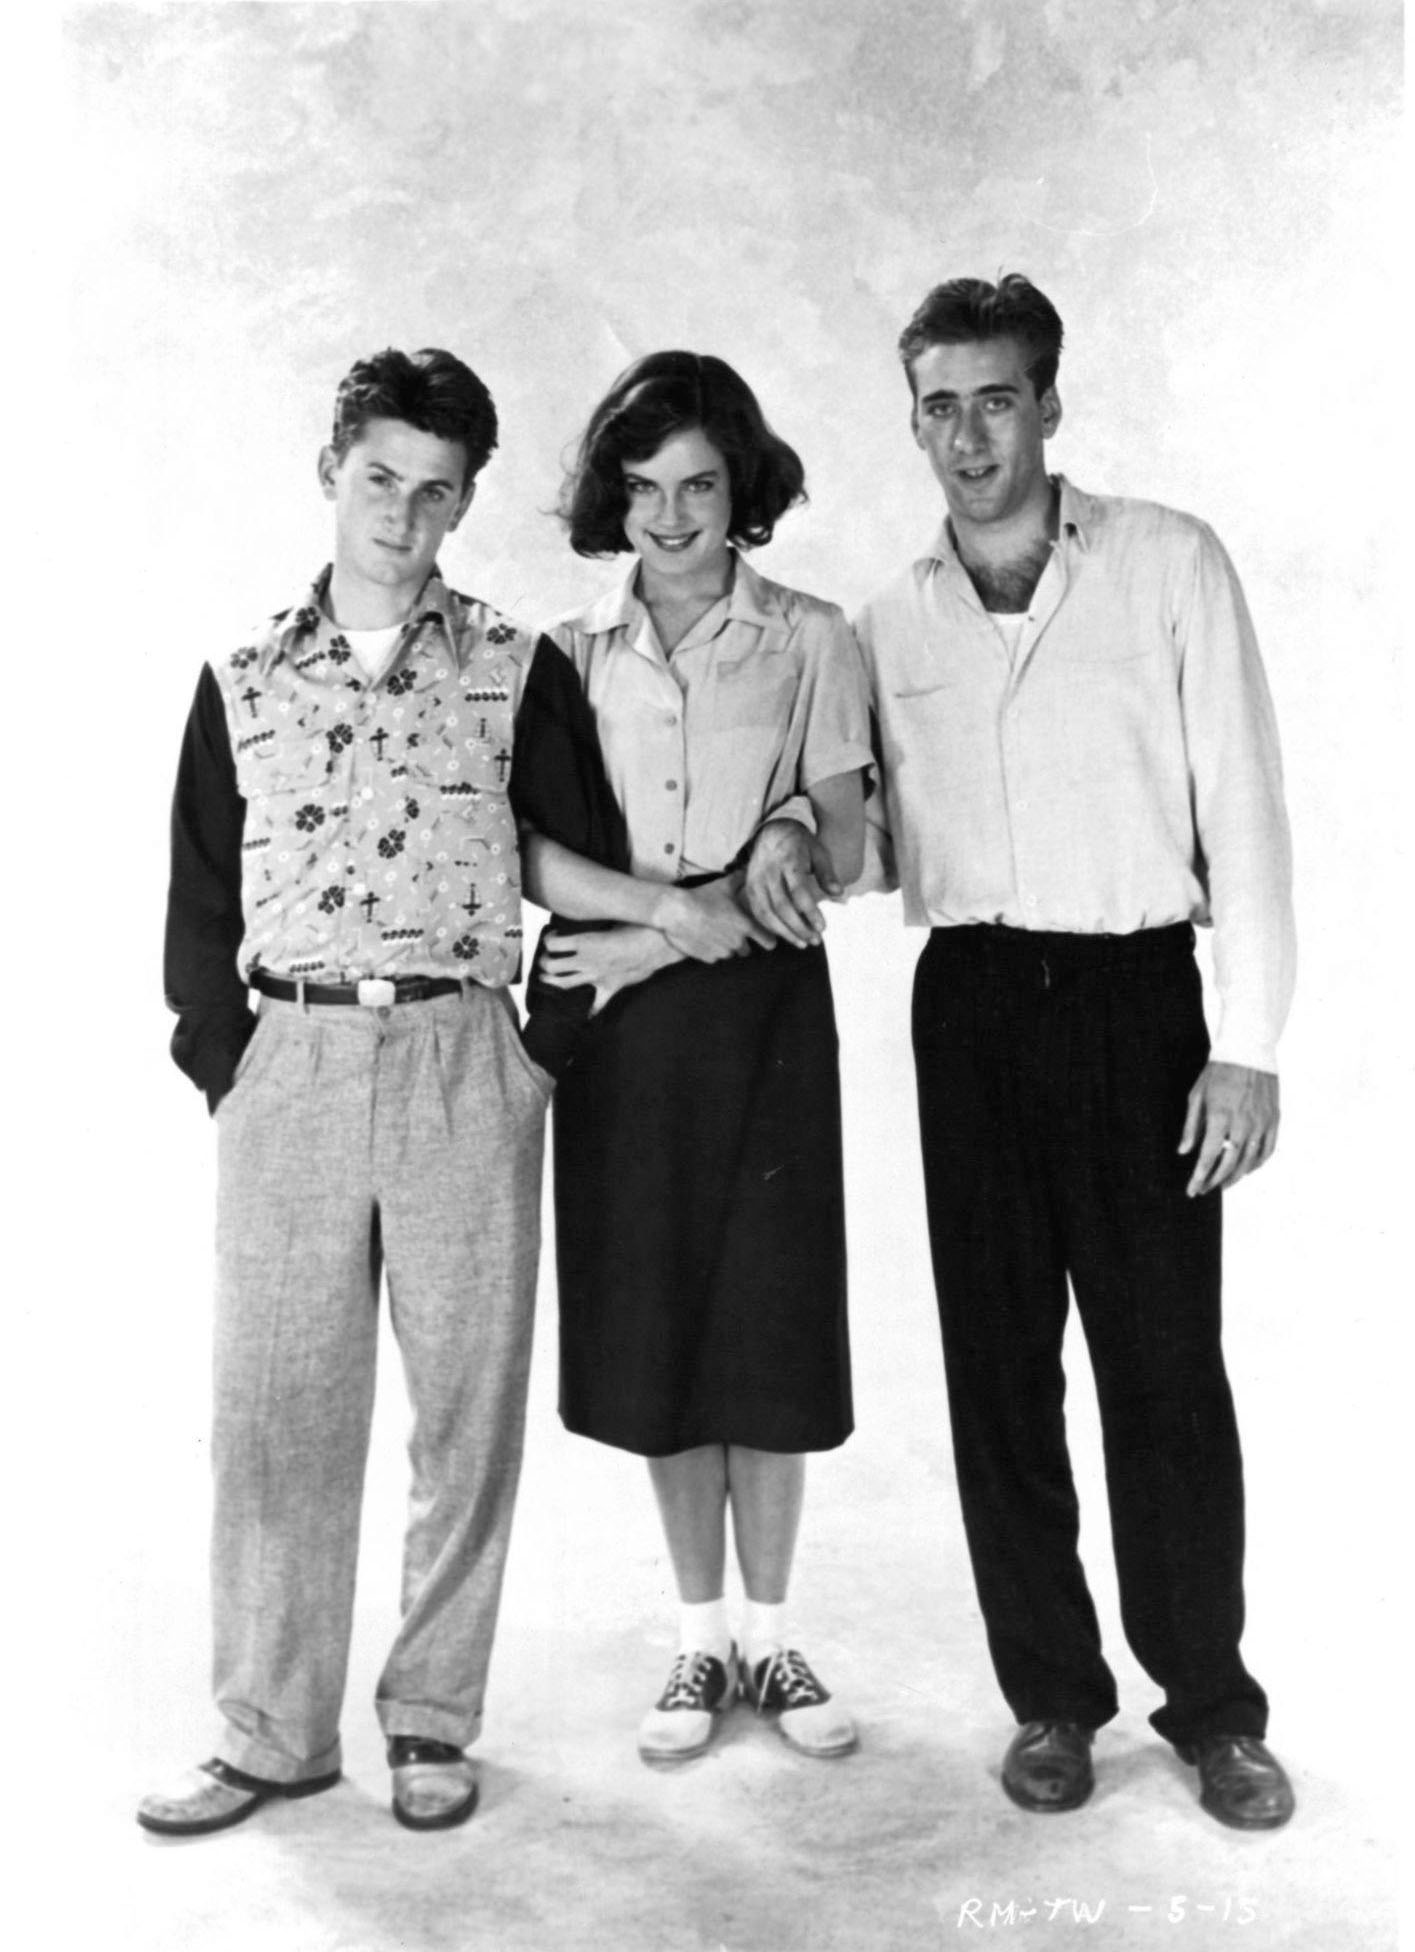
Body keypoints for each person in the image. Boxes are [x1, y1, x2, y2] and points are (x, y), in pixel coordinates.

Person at [746, 276, 1297, 1830]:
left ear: (1049, 404)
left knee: (1164, 1373)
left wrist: (1244, 1047)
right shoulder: (886, 621)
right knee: (999, 1371)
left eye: (997, 399)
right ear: (911, 418)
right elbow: (857, 834)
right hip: (972, 1006)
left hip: (1137, 1006)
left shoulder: (1172, 567)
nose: (969, 435)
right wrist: (797, 820)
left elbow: (1247, 814)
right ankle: (1053, 1698)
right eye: (940, 405)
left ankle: (1213, 1709)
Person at [142, 347, 621, 1838]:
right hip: (287, 1066)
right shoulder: (240, 680)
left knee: (464, 1411)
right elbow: (198, 905)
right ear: (331, 472)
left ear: (465, 501)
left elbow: (589, 882)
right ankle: (271, 1731)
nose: (403, 516)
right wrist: (231, 1058)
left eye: (436, 491)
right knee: (276, 1412)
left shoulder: (514, 665)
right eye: (380, 480)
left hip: (459, 1062)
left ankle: (429, 1719)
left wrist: (533, 1053)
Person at [522, 351, 872, 1764]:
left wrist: (676, 927)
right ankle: (696, 1646)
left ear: (745, 491)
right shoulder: (566, 653)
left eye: (701, 486)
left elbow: (840, 848)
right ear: (615, 496)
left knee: (768, 1329)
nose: (671, 516)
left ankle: (774, 1641)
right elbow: (537, 854)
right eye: (644, 487)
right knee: (661, 1328)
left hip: (767, 1010)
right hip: (623, 1032)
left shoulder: (811, 639)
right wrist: (664, 911)